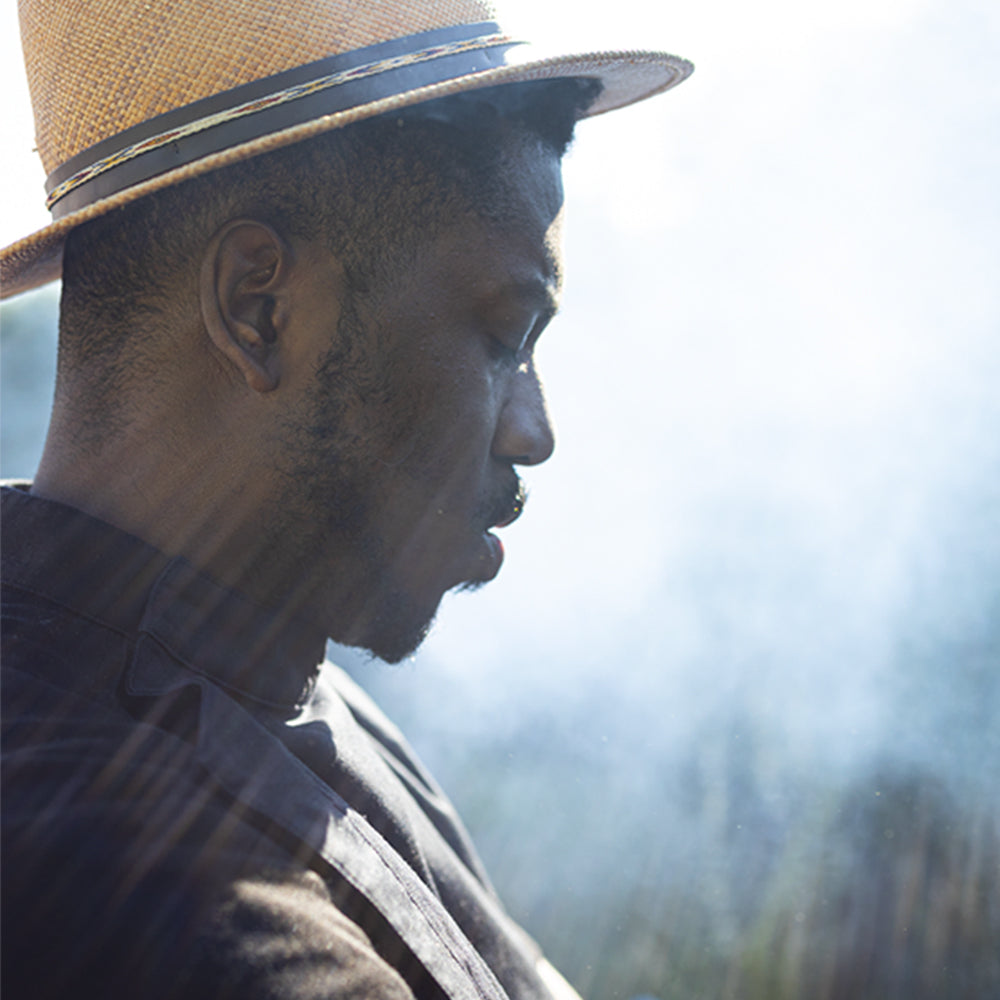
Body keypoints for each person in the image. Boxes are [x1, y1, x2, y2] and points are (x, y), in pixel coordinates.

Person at [0, 1, 691, 997]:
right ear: (258, 307)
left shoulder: (302, 692)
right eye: (502, 340)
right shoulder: (113, 867)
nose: (534, 432)